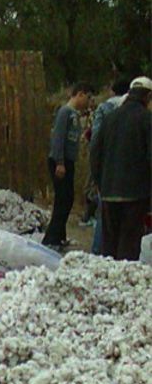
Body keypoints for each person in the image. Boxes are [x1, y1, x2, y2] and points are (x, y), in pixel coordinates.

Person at [90, 76, 151, 261]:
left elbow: (95, 152)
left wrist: (100, 183)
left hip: (108, 191)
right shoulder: (147, 120)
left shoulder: (110, 118)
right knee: (129, 243)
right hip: (135, 193)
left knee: (110, 243)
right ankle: (124, 282)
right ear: (148, 97)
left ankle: (108, 280)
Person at [41, 82, 94, 250]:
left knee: (68, 198)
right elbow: (58, 138)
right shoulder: (65, 112)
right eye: (87, 97)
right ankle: (51, 239)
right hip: (60, 161)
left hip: (68, 161)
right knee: (63, 200)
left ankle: (60, 235)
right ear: (79, 94)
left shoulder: (75, 115)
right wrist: (60, 162)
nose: (88, 101)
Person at [87, 78, 131, 254]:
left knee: (103, 214)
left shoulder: (105, 109)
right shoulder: (136, 112)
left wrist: (96, 173)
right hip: (127, 172)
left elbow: (96, 141)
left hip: (107, 170)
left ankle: (98, 253)